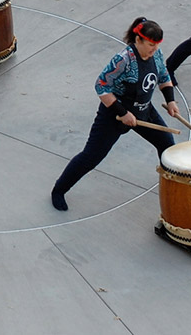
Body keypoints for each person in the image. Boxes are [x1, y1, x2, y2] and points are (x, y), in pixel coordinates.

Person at [51, 18, 180, 211]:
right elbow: (101, 86)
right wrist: (123, 112)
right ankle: (59, 190)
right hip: (114, 115)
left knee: (167, 145)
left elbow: (163, 76)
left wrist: (170, 100)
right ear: (138, 40)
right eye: (151, 45)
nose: (154, 49)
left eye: (157, 45)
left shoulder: (156, 54)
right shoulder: (124, 59)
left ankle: (173, 189)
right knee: (91, 157)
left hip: (144, 110)